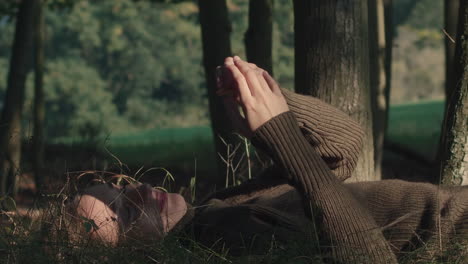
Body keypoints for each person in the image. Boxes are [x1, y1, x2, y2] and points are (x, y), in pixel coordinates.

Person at [58, 56, 468, 263]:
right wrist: (283, 138)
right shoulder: (223, 244)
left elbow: (341, 148)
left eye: (120, 187)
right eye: (127, 214)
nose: (140, 190)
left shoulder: (213, 211)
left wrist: (271, 110)